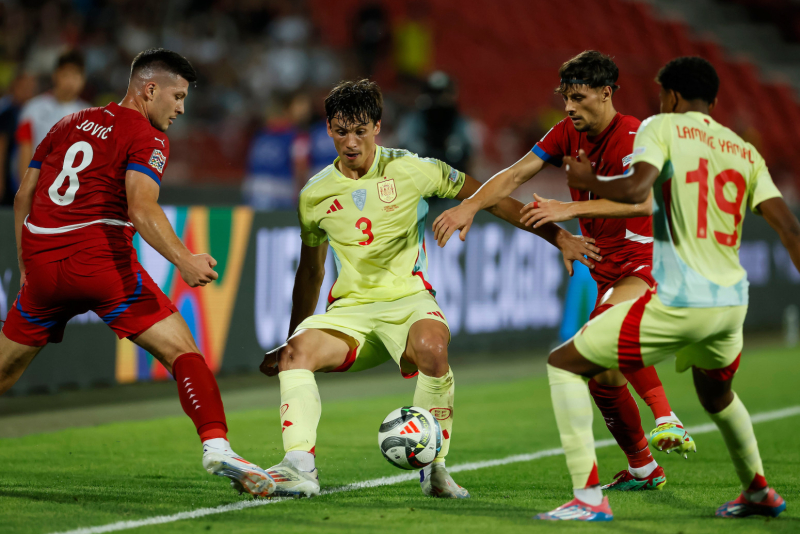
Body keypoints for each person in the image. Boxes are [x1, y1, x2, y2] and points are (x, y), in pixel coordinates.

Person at [258, 79, 600, 498]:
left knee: (433, 351)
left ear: (377, 127)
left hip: (409, 301)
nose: (351, 142)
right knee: (295, 356)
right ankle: (299, 467)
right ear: (328, 128)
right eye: (341, 131)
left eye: (360, 131)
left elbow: (491, 198)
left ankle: (435, 470)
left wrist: (559, 237)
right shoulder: (314, 194)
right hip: (350, 312)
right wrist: (291, 336)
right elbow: (311, 271)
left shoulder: (413, 169)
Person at [0, 48, 275, 498]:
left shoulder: (67, 123)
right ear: (149, 90)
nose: (181, 109)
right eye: (177, 97)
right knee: (183, 352)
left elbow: (21, 198)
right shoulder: (147, 136)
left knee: (4, 370)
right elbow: (141, 207)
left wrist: (27, 267)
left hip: (43, 267)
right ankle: (218, 447)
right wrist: (183, 259)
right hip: (99, 263)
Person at [537, 56, 800, 521]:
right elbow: (789, 229)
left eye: (661, 94)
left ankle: (588, 499)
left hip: (680, 300)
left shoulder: (660, 127)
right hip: (731, 303)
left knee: (564, 364)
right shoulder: (743, 151)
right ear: (712, 100)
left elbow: (638, 187)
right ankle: (757, 491)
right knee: (718, 397)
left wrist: (586, 183)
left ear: (672, 96)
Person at [433, 51, 687, 491]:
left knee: (607, 329)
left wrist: (568, 209)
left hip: (645, 264)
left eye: (578, 97)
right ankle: (644, 468)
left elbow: (643, 202)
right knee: (601, 376)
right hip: (605, 269)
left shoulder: (635, 135)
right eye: (565, 97)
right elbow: (514, 175)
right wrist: (470, 206)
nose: (568, 107)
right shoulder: (567, 132)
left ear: (605, 93)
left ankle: (667, 418)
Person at [15, 51, 89, 183]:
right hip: (39, 185)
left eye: (76, 75)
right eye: (66, 75)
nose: (71, 81)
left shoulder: (91, 115)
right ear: (55, 75)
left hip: (72, 189)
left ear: (83, 79)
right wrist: (25, 187)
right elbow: (25, 151)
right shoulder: (32, 109)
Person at [0, 73, 37, 205]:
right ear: (14, 87)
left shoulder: (34, 112)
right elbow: (1, 147)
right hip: (9, 177)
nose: (27, 91)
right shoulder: (8, 113)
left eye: (30, 87)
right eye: (23, 87)